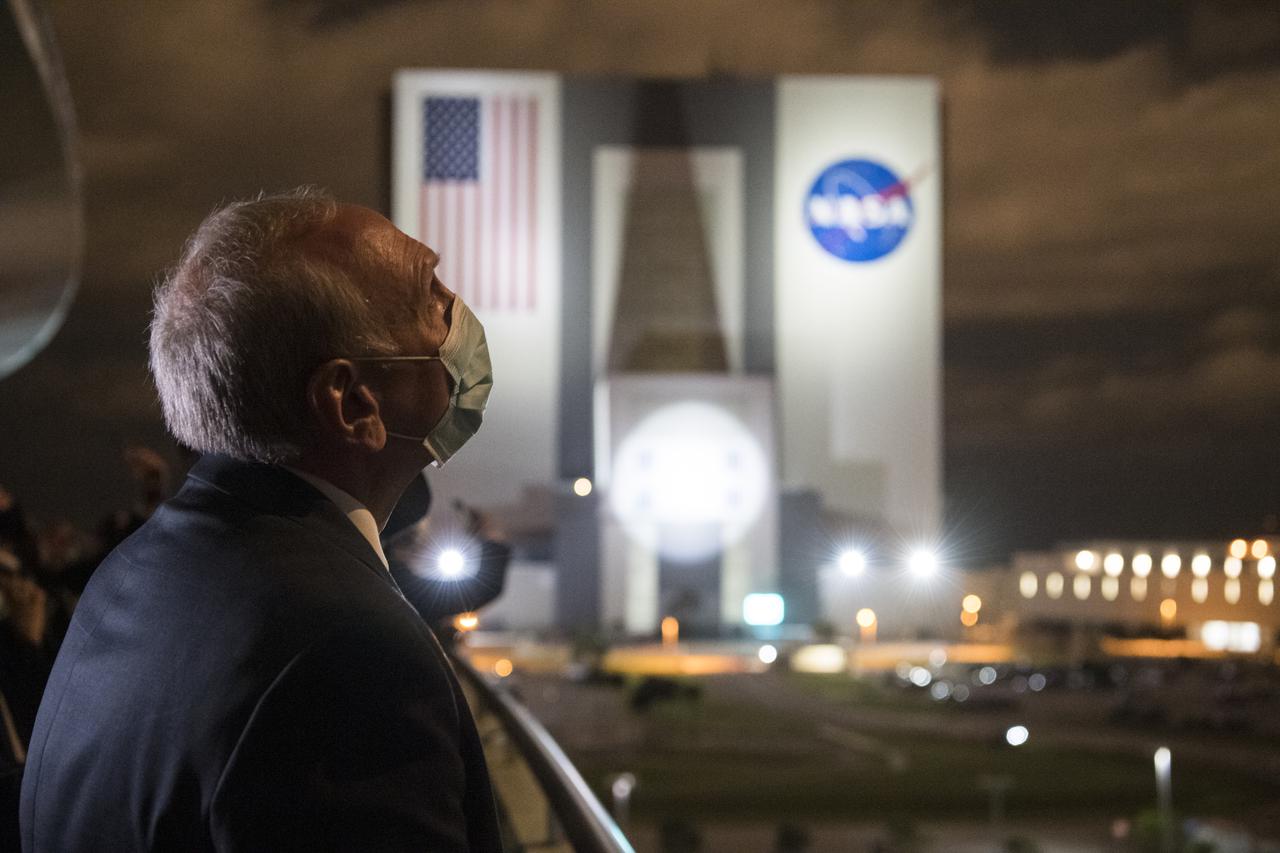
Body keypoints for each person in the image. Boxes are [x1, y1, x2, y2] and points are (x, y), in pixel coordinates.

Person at [20, 189, 501, 852]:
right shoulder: (351, 655)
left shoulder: (132, 575)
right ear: (353, 404)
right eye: (431, 296)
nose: (458, 313)